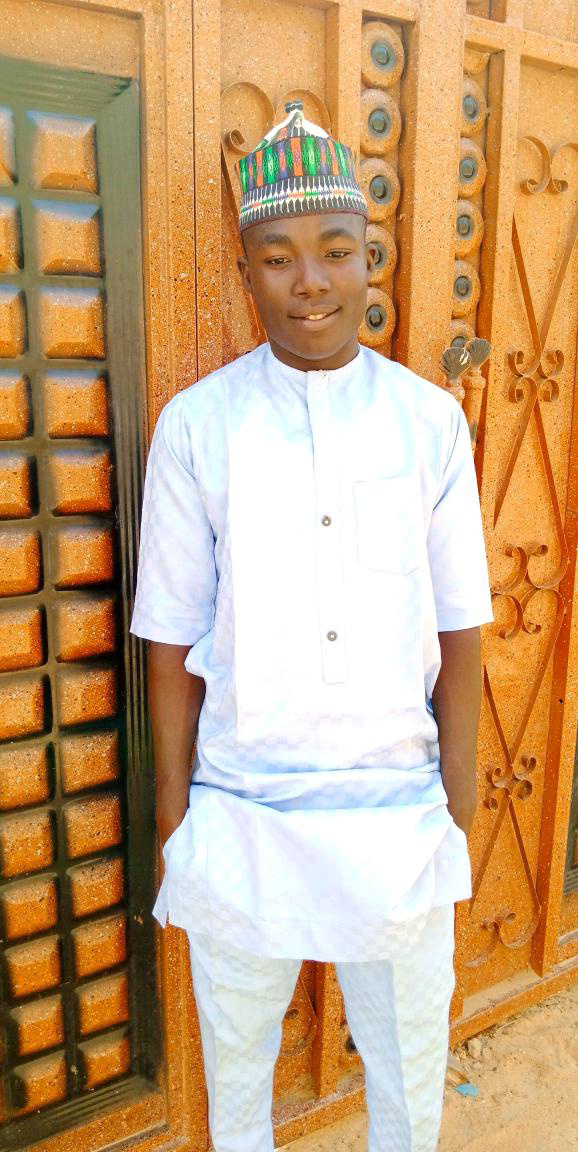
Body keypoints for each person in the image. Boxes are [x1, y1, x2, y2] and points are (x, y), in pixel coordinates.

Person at [131, 102, 493, 1152]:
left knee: (407, 1076)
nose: (310, 283)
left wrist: (456, 811)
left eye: (335, 251)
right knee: (238, 1078)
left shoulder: (427, 422)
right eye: (278, 258)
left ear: (368, 258)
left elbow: (461, 630)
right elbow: (170, 641)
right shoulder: (196, 427)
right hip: (245, 811)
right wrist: (175, 819)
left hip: (397, 815)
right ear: (245, 271)